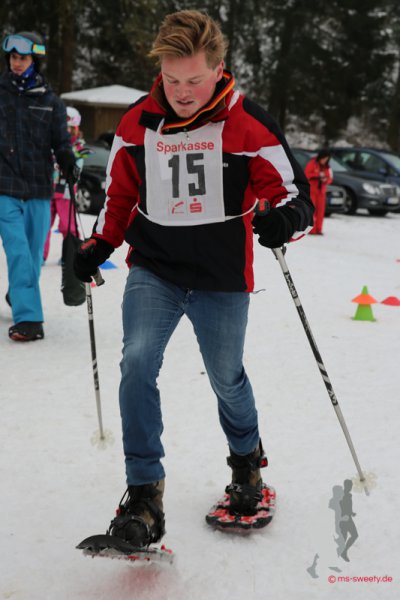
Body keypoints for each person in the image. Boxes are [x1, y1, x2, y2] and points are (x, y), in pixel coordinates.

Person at [74, 10, 314, 548]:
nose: (182, 93)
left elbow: (296, 195)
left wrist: (284, 219)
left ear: (219, 69)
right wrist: (100, 244)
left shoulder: (248, 124)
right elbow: (120, 195)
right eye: (172, 79)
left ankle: (247, 464)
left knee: (227, 377)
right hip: (155, 268)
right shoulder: (137, 122)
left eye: (195, 81)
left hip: (220, 276)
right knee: (137, 363)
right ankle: (144, 496)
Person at [0, 31, 75, 341]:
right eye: (13, 57)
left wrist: (68, 159)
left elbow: (61, 142)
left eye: (23, 58)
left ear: (35, 61)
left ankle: (18, 292)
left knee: (33, 256)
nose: (16, 63)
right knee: (18, 251)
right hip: (5, 187)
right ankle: (29, 319)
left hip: (39, 189)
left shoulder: (51, 102)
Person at [43, 106, 89, 263]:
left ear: (75, 128)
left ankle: (70, 254)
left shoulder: (78, 147)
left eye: (69, 128)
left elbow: (78, 167)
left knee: (67, 224)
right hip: (48, 189)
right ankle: (39, 254)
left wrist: (72, 166)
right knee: (43, 224)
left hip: (66, 191)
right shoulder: (50, 142)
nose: (66, 132)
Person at [304, 149, 333, 235]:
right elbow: (306, 174)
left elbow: (330, 178)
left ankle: (319, 229)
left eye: (326, 159)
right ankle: (312, 229)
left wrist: (325, 180)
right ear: (320, 157)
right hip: (312, 191)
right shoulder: (312, 163)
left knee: (320, 212)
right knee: (312, 211)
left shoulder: (327, 167)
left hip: (321, 192)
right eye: (324, 158)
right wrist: (317, 176)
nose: (324, 160)